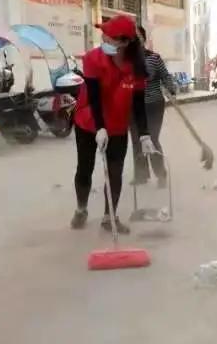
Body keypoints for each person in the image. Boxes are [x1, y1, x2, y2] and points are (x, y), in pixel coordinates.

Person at [72, 15, 156, 233]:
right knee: (85, 168)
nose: (104, 40)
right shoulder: (92, 59)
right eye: (104, 36)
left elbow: (138, 104)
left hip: (118, 124)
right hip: (89, 121)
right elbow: (94, 96)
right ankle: (81, 209)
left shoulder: (136, 67)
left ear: (125, 42)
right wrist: (100, 128)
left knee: (115, 171)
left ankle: (110, 218)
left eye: (109, 38)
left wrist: (145, 134)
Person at [130, 26, 176, 188]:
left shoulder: (154, 58)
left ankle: (161, 174)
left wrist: (170, 87)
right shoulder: (125, 60)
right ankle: (141, 175)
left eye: (137, 37)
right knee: (136, 140)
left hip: (153, 104)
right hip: (133, 106)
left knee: (152, 139)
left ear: (143, 39)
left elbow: (165, 75)